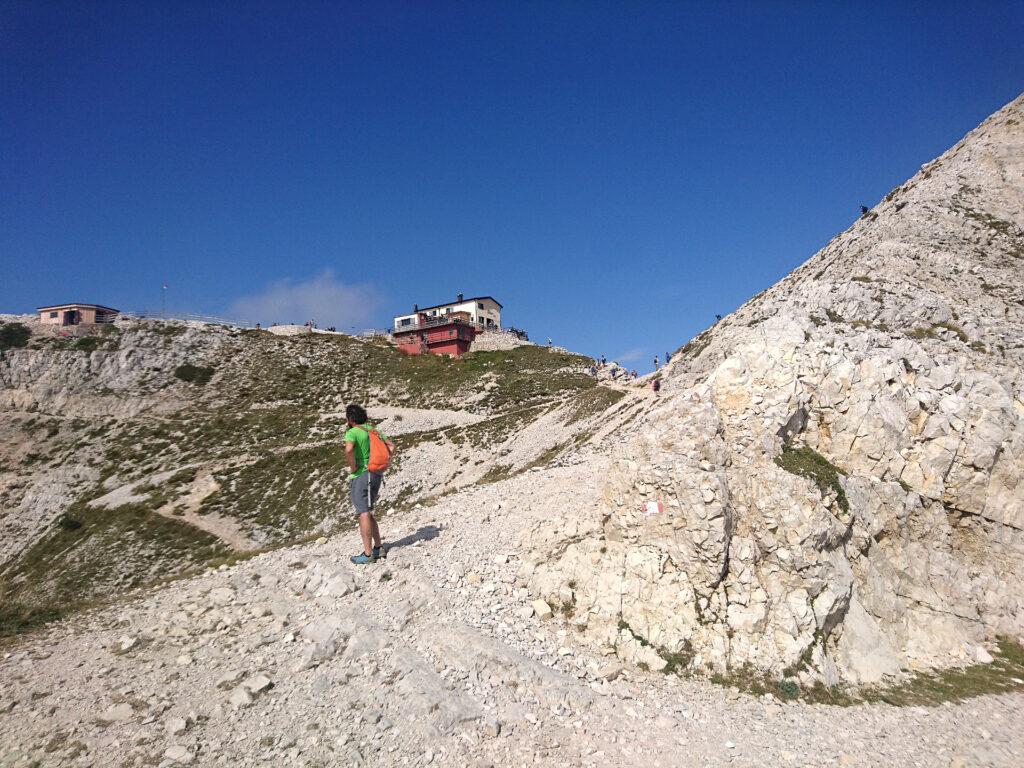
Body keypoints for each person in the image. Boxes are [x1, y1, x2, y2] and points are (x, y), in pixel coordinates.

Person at [344, 404, 395, 564]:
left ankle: (367, 555)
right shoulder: (374, 430)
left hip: (362, 475)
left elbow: (349, 449)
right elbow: (392, 447)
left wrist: (353, 467)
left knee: (363, 513)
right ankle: (378, 548)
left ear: (350, 419)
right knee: (368, 510)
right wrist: (381, 463)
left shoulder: (353, 432)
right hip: (376, 473)